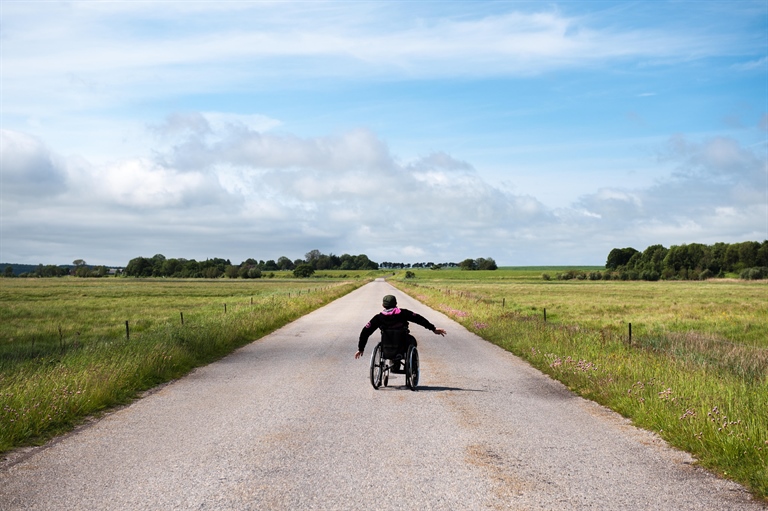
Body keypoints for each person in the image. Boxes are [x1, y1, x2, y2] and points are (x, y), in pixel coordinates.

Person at [354, 294, 446, 369]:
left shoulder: (378, 318)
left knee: (386, 341)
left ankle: (394, 361)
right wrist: (433, 329)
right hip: (403, 344)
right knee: (412, 341)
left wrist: (361, 348)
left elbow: (365, 331)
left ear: (383, 305)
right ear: (396, 303)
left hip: (387, 346)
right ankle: (411, 366)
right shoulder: (403, 313)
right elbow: (419, 319)